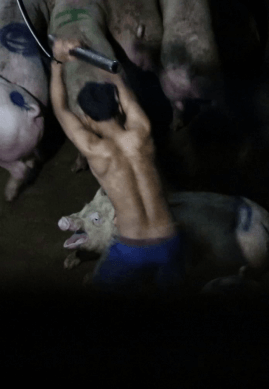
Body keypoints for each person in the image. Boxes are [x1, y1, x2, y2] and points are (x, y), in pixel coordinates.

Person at [50, 39, 185, 295]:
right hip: (170, 241)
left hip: (132, 248)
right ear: (119, 106)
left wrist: (57, 61)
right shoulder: (142, 131)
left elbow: (60, 108)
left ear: (87, 119)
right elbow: (119, 83)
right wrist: (94, 55)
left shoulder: (93, 148)